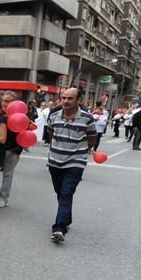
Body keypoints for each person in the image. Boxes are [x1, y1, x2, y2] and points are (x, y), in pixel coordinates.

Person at [44, 88, 97, 243]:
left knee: (66, 192)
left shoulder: (87, 118)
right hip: (55, 160)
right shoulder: (53, 116)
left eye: (70, 98)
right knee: (60, 192)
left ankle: (59, 228)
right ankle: (67, 218)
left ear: (78, 100)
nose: (66, 101)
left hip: (75, 162)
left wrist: (80, 151)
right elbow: (51, 134)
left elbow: (92, 139)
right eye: (64, 98)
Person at [0, 91, 24, 208]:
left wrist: (17, 149)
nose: (4, 103)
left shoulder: (20, 117)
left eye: (7, 101)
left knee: (7, 175)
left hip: (12, 150)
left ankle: (3, 198)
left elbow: (24, 134)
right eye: (3, 100)